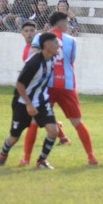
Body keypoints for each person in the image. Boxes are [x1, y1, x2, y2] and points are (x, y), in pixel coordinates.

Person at [26, 11, 99, 165]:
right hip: (67, 86)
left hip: (47, 86)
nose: (69, 25)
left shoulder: (40, 37)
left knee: (34, 122)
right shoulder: (71, 41)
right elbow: (71, 60)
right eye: (67, 22)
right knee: (77, 122)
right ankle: (91, 157)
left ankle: (26, 159)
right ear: (61, 24)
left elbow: (31, 58)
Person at [0, 32, 61, 169]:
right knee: (14, 137)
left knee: (54, 131)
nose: (58, 46)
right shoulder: (34, 62)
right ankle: (3, 154)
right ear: (47, 46)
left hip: (42, 101)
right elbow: (19, 84)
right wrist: (29, 105)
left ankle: (41, 161)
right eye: (55, 43)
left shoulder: (53, 58)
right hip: (22, 103)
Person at [18, 21, 69, 166]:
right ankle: (62, 138)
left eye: (31, 31)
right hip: (35, 90)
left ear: (36, 33)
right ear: (22, 33)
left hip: (40, 91)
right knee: (44, 117)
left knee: (37, 119)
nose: (29, 33)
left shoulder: (42, 51)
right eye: (26, 31)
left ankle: (28, 158)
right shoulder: (27, 51)